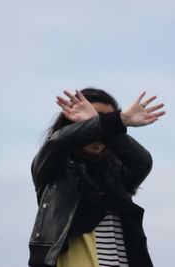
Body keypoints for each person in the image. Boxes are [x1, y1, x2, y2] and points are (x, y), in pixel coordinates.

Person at [28, 88, 166, 267]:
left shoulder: (117, 173)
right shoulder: (53, 169)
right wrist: (110, 122)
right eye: (94, 118)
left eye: (105, 119)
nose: (100, 125)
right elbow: (59, 142)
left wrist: (109, 125)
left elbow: (142, 162)